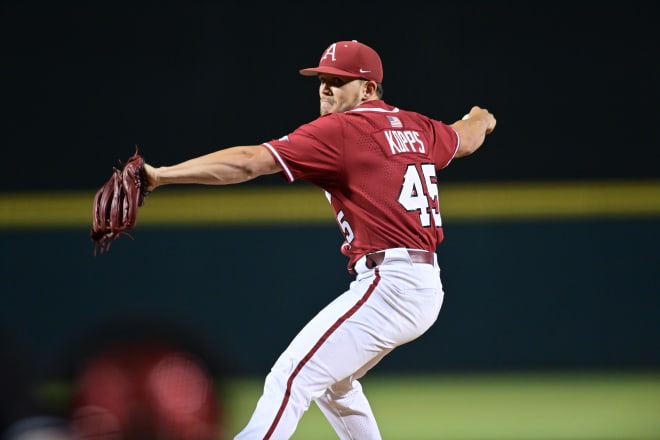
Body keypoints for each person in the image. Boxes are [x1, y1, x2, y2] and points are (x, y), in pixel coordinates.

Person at [143, 40, 496, 440]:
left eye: (338, 80)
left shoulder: (343, 130)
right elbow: (465, 137)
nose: (325, 89)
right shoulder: (417, 127)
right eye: (322, 80)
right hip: (418, 283)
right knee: (335, 383)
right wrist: (482, 118)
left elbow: (247, 161)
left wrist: (161, 175)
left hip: (392, 284)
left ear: (367, 89)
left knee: (290, 377)